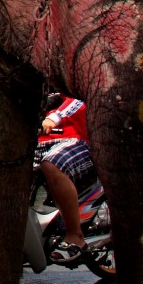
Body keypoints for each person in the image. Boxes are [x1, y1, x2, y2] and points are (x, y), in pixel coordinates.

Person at [38, 93, 95, 259]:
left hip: (75, 138)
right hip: (43, 139)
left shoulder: (76, 82)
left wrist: (56, 117)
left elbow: (80, 99)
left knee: (51, 164)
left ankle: (74, 235)